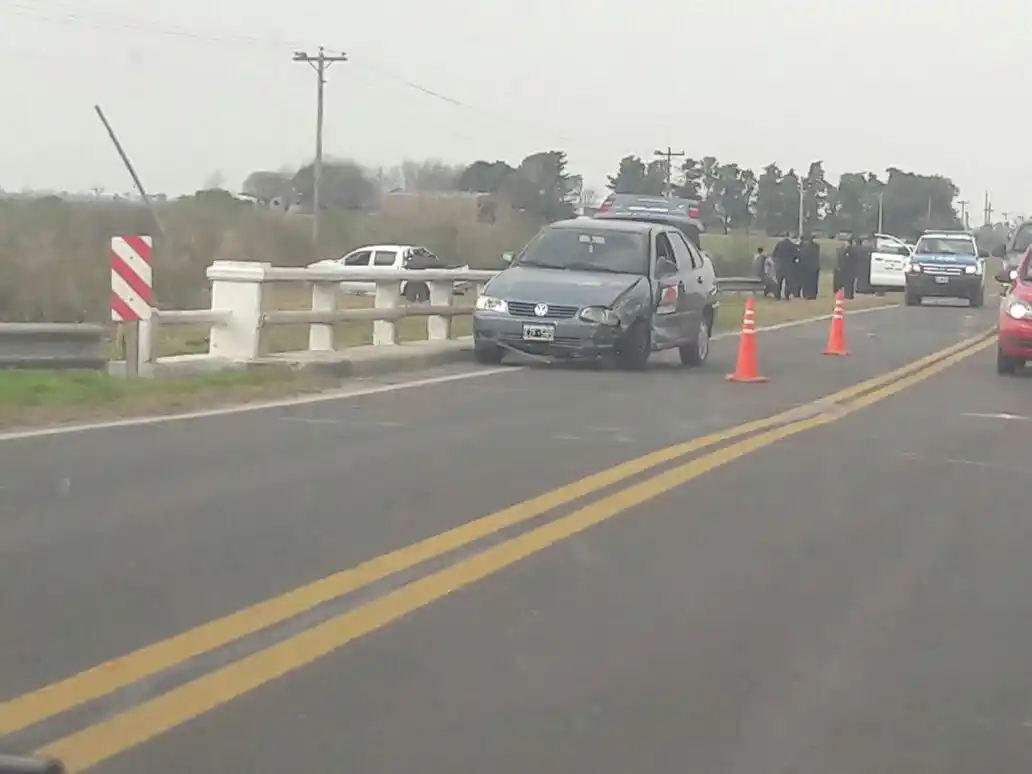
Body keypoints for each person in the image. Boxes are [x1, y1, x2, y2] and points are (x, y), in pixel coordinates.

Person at [771, 233, 798, 300]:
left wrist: (776, 262)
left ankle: (777, 295)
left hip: (780, 265)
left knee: (779, 281)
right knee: (788, 282)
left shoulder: (779, 244)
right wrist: (793, 261)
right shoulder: (792, 245)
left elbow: (774, 254)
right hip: (789, 266)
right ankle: (787, 295)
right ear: (789, 236)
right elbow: (796, 256)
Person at [799, 234, 821, 299]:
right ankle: (813, 294)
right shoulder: (816, 246)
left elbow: (803, 255)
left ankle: (807, 294)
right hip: (815, 266)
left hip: (807, 267)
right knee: (814, 281)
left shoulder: (805, 247)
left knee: (806, 281)